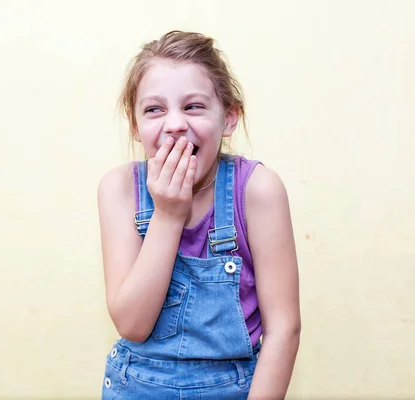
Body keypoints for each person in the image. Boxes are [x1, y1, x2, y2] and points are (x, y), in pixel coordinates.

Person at [97, 30, 300, 399]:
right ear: (135, 126)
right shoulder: (119, 190)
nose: (175, 123)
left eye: (193, 106)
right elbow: (132, 324)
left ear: (229, 118)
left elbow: (283, 330)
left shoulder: (258, 191)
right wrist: (169, 215)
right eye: (154, 109)